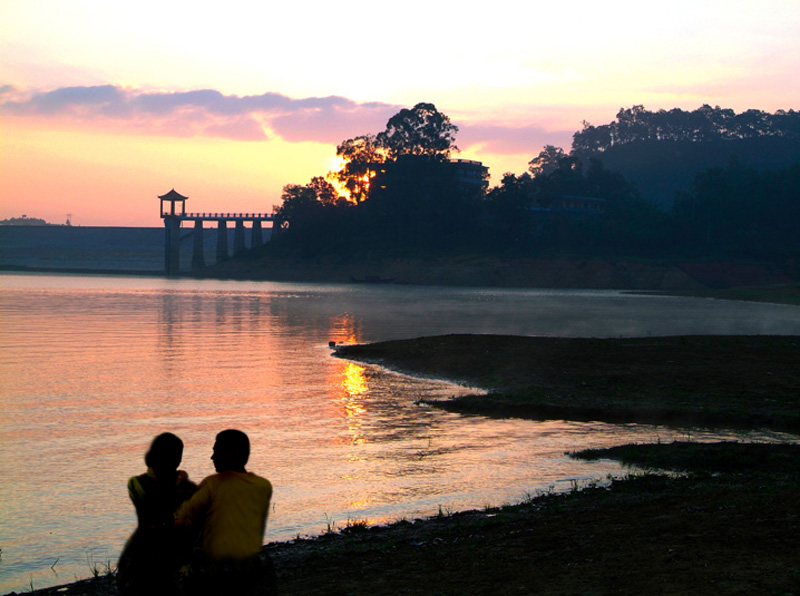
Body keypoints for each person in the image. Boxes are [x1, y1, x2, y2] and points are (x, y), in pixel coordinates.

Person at [176, 429, 276, 596]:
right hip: (256, 564)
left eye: (216, 451)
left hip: (221, 571)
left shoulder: (212, 485)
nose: (212, 457)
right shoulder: (262, 486)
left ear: (230, 453)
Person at [117, 432, 197, 596]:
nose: (178, 460)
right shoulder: (139, 483)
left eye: (179, 455)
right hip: (150, 550)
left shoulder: (185, 486)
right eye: (174, 455)